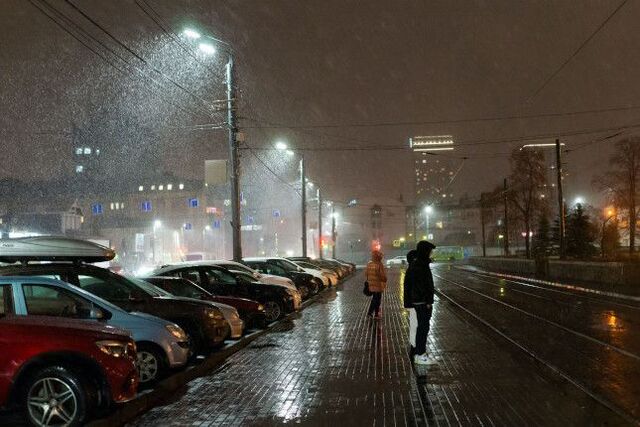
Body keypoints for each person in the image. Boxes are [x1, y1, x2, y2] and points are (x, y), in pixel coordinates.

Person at [406, 240, 436, 365]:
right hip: (422, 302)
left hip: (421, 301)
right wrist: (427, 300)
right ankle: (420, 354)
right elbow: (421, 285)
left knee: (423, 327)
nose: (430, 253)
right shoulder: (420, 265)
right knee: (423, 328)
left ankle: (420, 353)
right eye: (429, 251)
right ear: (425, 251)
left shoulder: (419, 264)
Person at [403, 249, 418, 358]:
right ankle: (415, 349)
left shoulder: (410, 269)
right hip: (416, 303)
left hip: (412, 303)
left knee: (414, 326)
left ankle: (414, 348)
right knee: (417, 326)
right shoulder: (414, 269)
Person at [366, 250, 387, 318]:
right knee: (377, 300)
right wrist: (385, 279)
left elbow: (366, 274)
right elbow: (381, 275)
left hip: (371, 285)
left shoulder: (369, 264)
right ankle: (375, 314)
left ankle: (371, 313)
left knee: (374, 299)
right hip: (378, 285)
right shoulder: (379, 264)